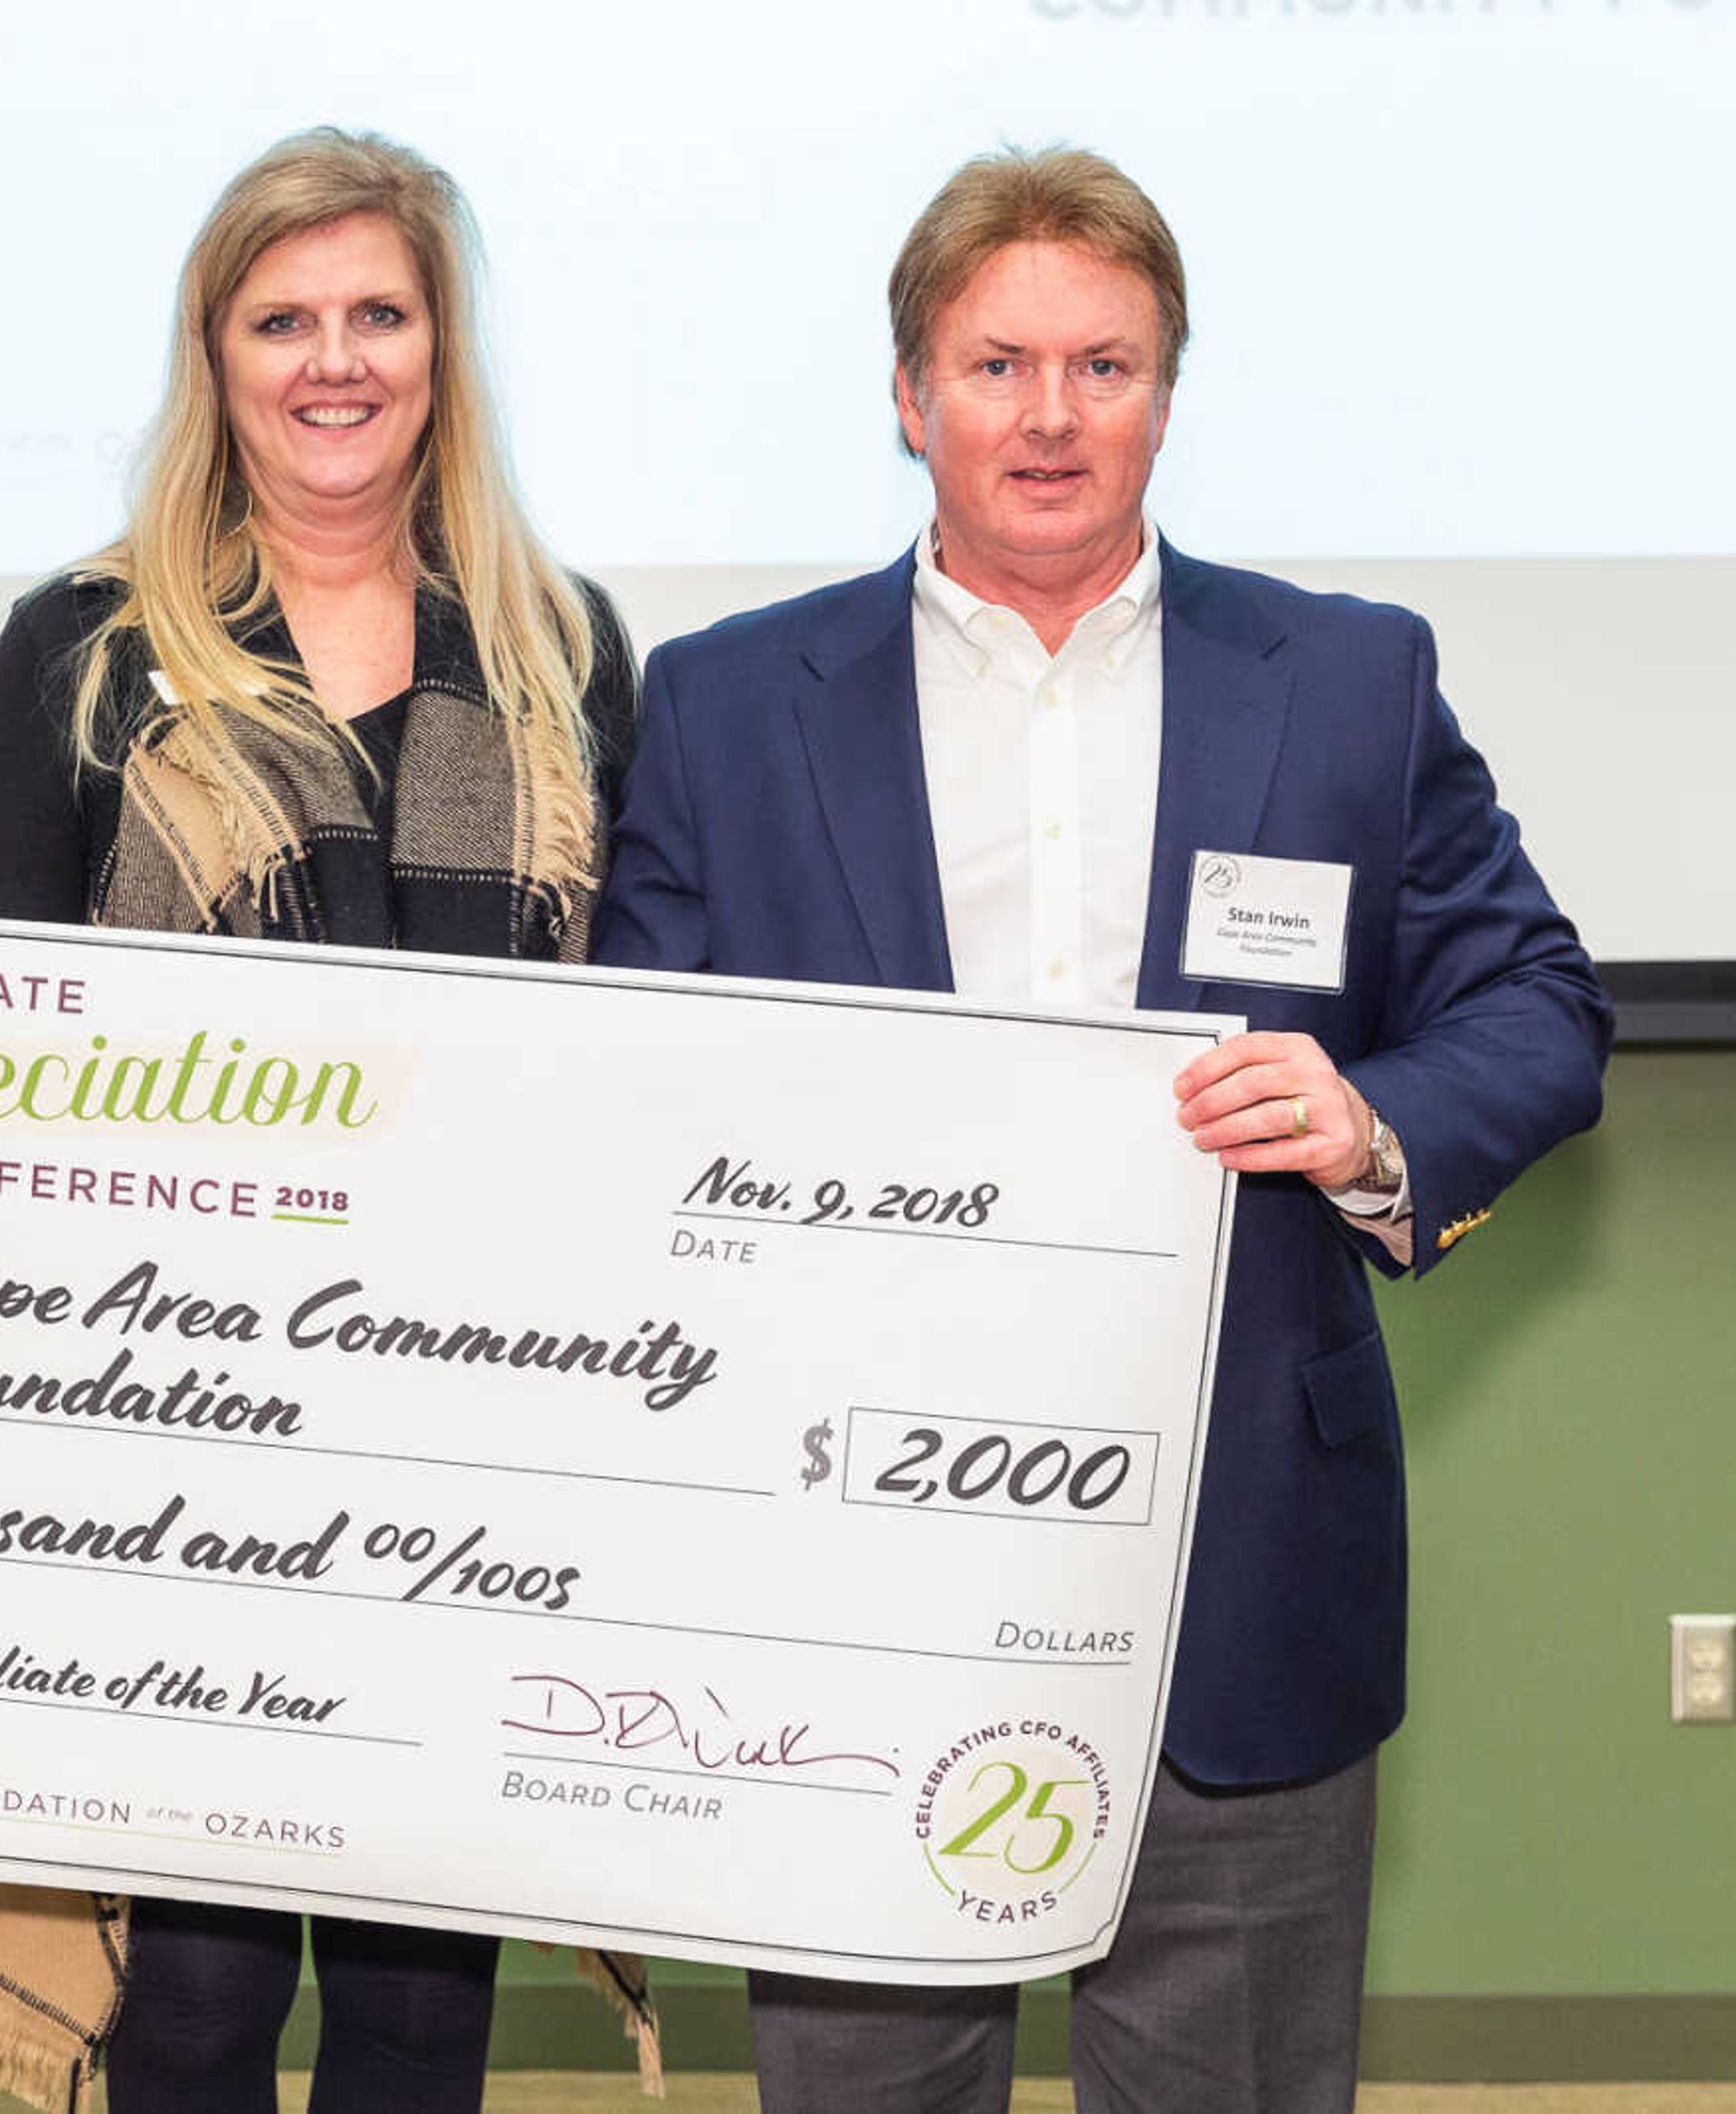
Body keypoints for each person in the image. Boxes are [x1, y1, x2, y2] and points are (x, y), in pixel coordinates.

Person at [594, 148, 1611, 2112]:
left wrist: (1367, 1113)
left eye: (1106, 365)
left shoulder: (1343, 682)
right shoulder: (727, 707)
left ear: (1167, 390)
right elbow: (650, 1081)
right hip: (846, 1581)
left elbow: (1539, 1008)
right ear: (910, 399)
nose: (1051, 416)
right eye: (997, 366)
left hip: (1239, 1557)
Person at [0, 128, 648, 2113]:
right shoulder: (78, 650)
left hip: (478, 1433)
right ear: (216, 353)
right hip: (175, 1441)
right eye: (284, 319)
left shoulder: (562, 650)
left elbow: (647, 1047)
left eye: (379, 315)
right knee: (196, 2006)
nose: (335, 361)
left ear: (440, 348)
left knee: (426, 2012)